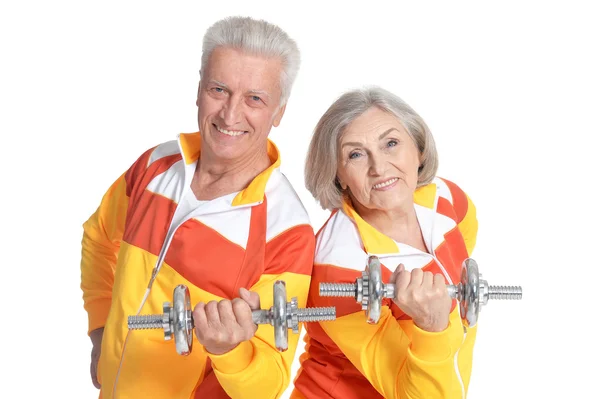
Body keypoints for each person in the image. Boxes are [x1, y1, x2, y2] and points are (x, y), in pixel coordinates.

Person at [80, 16, 315, 398]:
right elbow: (98, 238)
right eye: (219, 89)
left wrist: (230, 351)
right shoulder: (156, 165)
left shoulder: (286, 230)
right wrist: (100, 332)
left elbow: (270, 381)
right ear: (199, 88)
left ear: (280, 112)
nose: (230, 114)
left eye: (255, 98)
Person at [292, 86, 479, 398]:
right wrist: (432, 326)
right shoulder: (339, 267)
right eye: (355, 154)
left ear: (418, 149)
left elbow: (463, 244)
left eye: (390, 144)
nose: (379, 168)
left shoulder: (447, 200)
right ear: (339, 175)